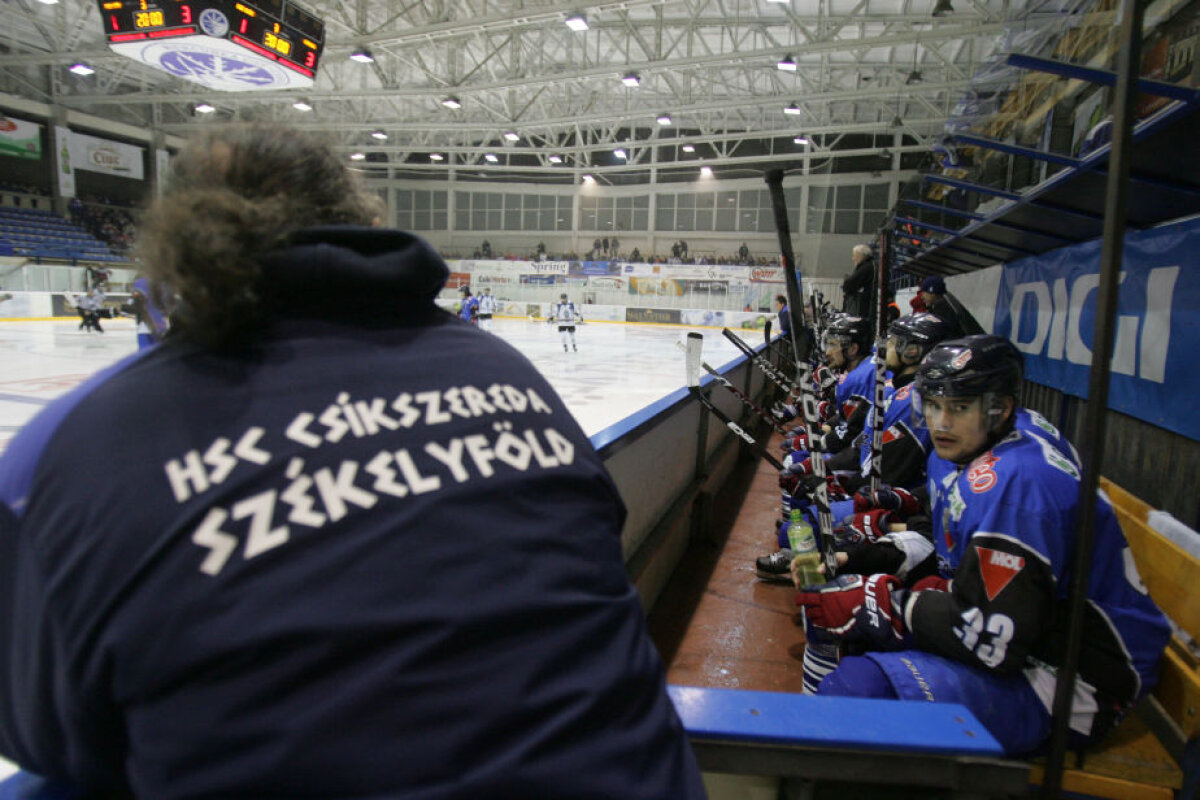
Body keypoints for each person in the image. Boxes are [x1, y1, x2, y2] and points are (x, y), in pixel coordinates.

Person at [0, 125, 705, 800]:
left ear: (169, 244)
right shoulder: (510, 373)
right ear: (360, 217)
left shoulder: (78, 446)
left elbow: (51, 737)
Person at [795, 335, 1170, 756]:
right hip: (1034, 631)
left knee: (857, 689)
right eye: (932, 405)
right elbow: (957, 558)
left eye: (958, 407)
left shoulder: (1018, 485)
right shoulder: (981, 446)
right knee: (850, 620)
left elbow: (994, 641)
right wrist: (867, 558)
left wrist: (882, 606)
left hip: (1078, 679)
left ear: (999, 408)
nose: (939, 422)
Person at [917, 275, 984, 339]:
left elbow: (940, 334)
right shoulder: (947, 299)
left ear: (932, 292)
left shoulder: (942, 306)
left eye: (924, 293)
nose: (922, 297)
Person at [841, 244, 877, 328]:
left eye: (854, 256)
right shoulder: (871, 266)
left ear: (861, 256)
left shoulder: (865, 268)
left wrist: (847, 280)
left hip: (862, 311)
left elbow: (848, 284)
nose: (853, 258)